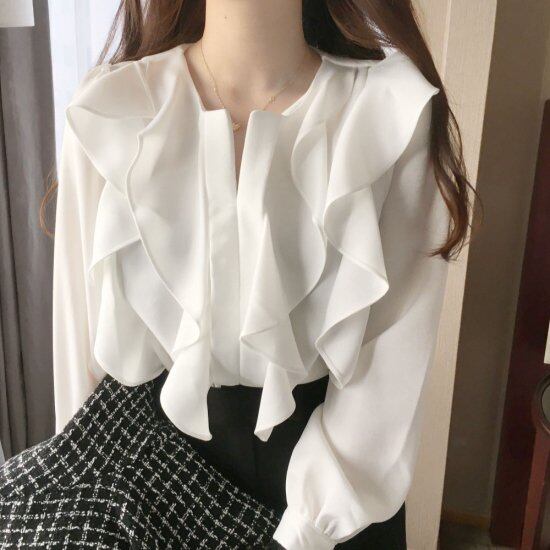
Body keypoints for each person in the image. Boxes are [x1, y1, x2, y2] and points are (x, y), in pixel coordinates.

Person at [0, 1, 476, 548]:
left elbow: (389, 368)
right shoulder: (112, 108)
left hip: (336, 497)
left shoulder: (388, 111)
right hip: (144, 488)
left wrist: (305, 532)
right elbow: (82, 369)